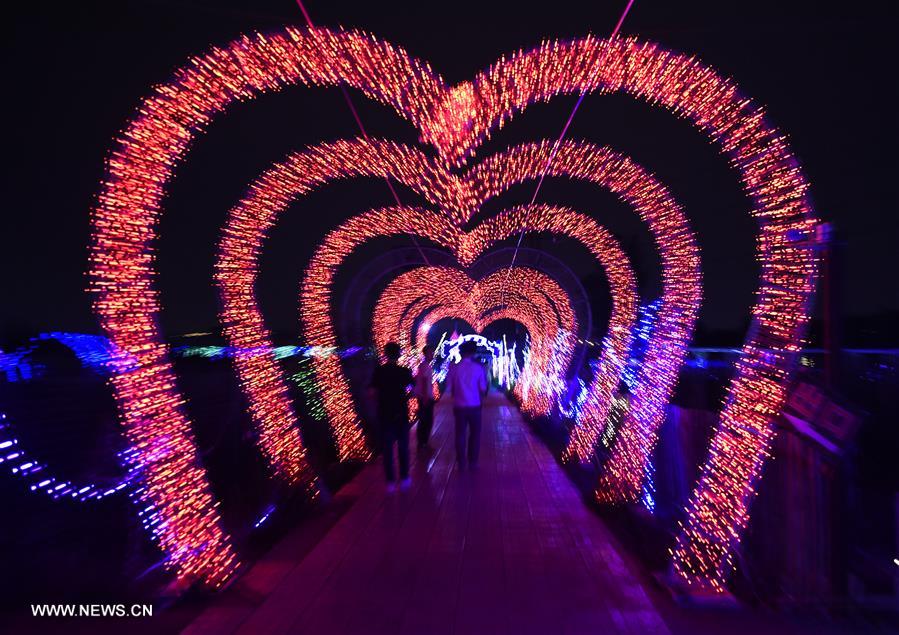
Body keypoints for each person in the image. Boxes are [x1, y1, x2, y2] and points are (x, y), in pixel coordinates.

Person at [370, 342, 414, 492]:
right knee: (403, 447)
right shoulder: (405, 371)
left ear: (385, 354)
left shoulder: (379, 371)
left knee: (387, 449)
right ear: (399, 354)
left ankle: (390, 482)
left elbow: (372, 392)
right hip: (401, 412)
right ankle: (405, 478)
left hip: (384, 413)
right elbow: (413, 389)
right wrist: (406, 396)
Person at [445, 340, 489, 469]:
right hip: (475, 405)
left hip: (459, 406)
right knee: (475, 434)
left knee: (460, 434)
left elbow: (448, 388)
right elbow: (483, 388)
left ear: (461, 352)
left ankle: (461, 462)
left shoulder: (454, 368)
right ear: (473, 353)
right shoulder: (478, 368)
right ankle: (473, 461)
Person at [414, 344, 436, 449]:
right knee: (426, 420)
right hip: (425, 397)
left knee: (424, 420)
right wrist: (426, 397)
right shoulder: (425, 366)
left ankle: (422, 443)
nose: (433, 354)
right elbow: (424, 381)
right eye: (431, 353)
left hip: (424, 396)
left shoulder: (424, 365)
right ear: (426, 353)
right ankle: (423, 443)